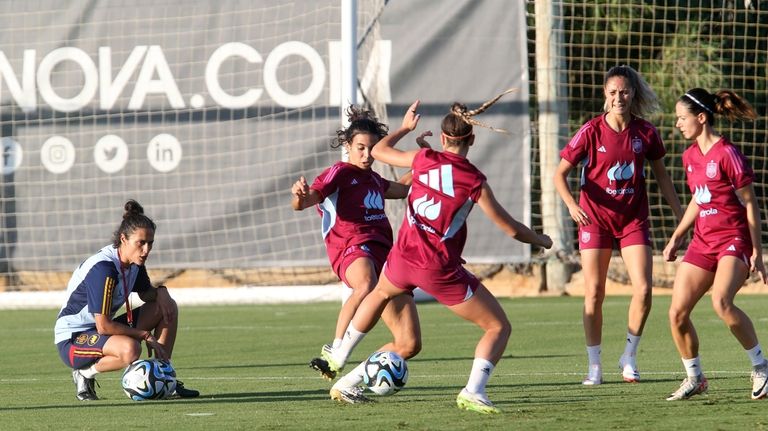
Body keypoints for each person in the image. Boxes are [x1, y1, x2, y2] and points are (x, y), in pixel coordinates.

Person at [321, 92, 553, 414]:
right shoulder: (473, 180)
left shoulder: (424, 159)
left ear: (443, 137)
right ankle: (473, 390)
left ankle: (341, 361)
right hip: (438, 269)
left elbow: (379, 150)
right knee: (498, 327)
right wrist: (540, 240)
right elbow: (511, 229)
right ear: (471, 139)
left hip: (401, 260)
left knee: (391, 317)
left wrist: (403, 130)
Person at [553, 65, 683, 385]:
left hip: (632, 220)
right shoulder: (590, 131)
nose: (618, 97)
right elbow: (559, 174)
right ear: (605, 95)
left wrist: (681, 214)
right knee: (595, 292)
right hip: (594, 219)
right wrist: (571, 205)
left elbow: (662, 177)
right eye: (612, 92)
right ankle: (594, 365)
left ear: (633, 93)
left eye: (624, 91)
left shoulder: (645, 133)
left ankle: (629, 356)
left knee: (643, 288)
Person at [291, 106, 422, 385]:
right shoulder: (339, 173)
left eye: (372, 149)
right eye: (360, 147)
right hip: (351, 248)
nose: (366, 155)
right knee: (365, 284)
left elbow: (402, 189)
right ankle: (335, 350)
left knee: (409, 344)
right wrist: (299, 196)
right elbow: (306, 201)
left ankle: (348, 383)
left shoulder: (374, 179)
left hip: (385, 254)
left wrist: (424, 162)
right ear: (348, 145)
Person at [663, 88, 767, 401]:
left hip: (733, 239)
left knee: (721, 301)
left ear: (702, 117)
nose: (678, 124)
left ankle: (761, 366)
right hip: (703, 242)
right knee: (677, 313)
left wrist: (757, 252)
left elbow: (751, 204)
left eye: (683, 118)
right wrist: (677, 235)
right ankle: (695, 377)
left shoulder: (727, 154)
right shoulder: (689, 156)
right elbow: (699, 197)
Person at [54, 200, 199, 401]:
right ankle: (84, 374)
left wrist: (162, 292)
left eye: (150, 243)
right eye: (141, 243)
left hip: (100, 330)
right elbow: (103, 326)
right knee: (131, 350)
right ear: (124, 239)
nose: (146, 250)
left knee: (166, 307)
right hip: (73, 340)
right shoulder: (104, 269)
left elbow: (146, 294)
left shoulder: (133, 262)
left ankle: (166, 378)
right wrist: (144, 334)